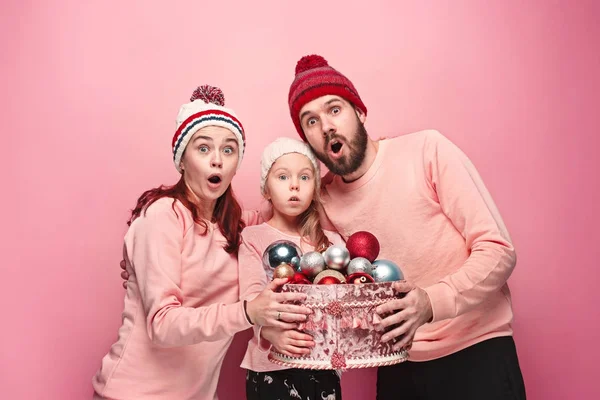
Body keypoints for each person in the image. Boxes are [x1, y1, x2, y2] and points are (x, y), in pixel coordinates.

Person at [286, 54, 526, 399]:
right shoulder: (321, 200)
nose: (326, 126)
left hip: (477, 351)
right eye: (311, 121)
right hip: (399, 366)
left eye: (334, 109)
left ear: (360, 112)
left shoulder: (427, 150)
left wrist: (431, 302)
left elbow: (499, 252)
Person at [93, 85, 310, 400]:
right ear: (182, 160)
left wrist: (323, 179)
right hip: (133, 393)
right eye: (204, 148)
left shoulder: (239, 228)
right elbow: (162, 324)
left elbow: (291, 209)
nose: (217, 161)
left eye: (228, 149)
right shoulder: (163, 216)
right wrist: (249, 312)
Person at [238, 137, 344, 400]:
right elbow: (251, 295)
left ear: (316, 188)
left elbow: (342, 300)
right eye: (283, 177)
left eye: (305, 177)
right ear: (266, 189)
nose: (295, 185)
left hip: (322, 366)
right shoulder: (253, 237)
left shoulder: (331, 245)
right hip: (270, 367)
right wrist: (268, 331)